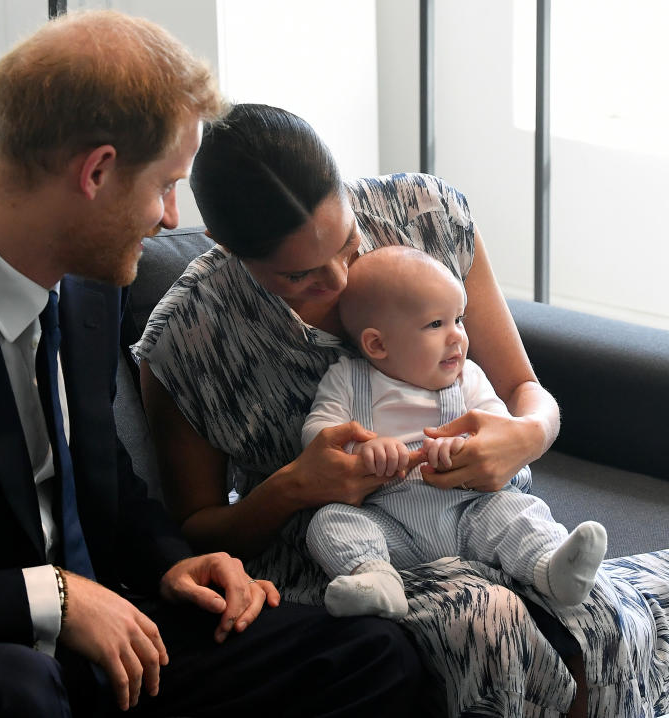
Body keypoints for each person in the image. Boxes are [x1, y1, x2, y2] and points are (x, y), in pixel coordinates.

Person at [0, 12, 424, 718]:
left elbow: (99, 480)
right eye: (166, 184)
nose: (170, 218)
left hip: (109, 653)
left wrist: (172, 563)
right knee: (12, 694)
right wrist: (52, 597)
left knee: (372, 653)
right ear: (96, 171)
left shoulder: (90, 290)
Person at [135, 102, 669, 717]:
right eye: (300, 277)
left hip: (476, 510)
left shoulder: (424, 217)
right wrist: (294, 487)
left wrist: (526, 436)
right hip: (341, 555)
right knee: (488, 621)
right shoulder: (190, 334)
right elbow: (195, 533)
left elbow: (525, 387)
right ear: (224, 246)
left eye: (347, 244)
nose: (337, 282)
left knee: (593, 607)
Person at [302, 245, 607, 620]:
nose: (457, 337)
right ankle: (377, 580)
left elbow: (499, 427)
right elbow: (318, 433)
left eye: (458, 319)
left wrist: (466, 445)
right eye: (436, 324)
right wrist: (364, 447)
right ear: (377, 344)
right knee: (328, 522)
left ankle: (551, 568)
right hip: (388, 520)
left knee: (519, 512)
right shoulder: (347, 379)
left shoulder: (468, 379)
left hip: (471, 509)